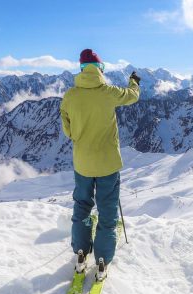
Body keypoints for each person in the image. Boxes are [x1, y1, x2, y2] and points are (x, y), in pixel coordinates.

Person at [60, 48, 141, 280]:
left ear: (81, 69)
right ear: (100, 69)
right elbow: (132, 95)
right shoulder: (108, 92)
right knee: (107, 211)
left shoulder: (70, 96)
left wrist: (78, 133)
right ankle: (103, 258)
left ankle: (81, 251)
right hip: (108, 165)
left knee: (82, 206)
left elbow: (68, 129)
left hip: (83, 164)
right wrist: (133, 82)